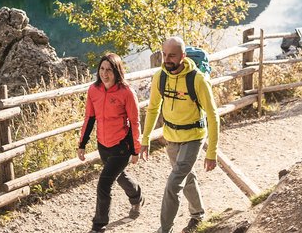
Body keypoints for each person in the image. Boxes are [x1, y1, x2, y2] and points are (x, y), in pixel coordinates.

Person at [140, 37, 220, 233]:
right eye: (164, 55)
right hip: (171, 138)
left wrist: (212, 151)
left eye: (172, 56)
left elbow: (213, 115)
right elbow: (152, 109)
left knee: (173, 184)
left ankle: (164, 230)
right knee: (187, 177)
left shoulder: (197, 80)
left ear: (183, 56)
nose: (167, 60)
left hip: (193, 137)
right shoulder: (161, 76)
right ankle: (198, 215)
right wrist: (145, 139)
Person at [77, 53, 145, 233]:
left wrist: (136, 149)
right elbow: (89, 118)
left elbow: (135, 121)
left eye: (109, 70)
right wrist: (82, 144)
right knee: (119, 175)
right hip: (103, 145)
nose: (105, 73)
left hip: (121, 146)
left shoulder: (126, 92)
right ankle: (137, 197)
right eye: (102, 69)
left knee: (104, 184)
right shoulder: (93, 90)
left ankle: (99, 225)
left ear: (117, 71)